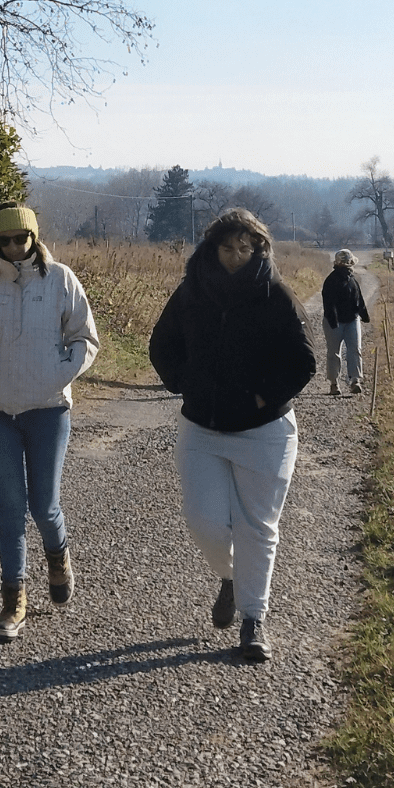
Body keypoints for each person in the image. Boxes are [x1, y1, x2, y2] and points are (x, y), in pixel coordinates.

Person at [149, 208, 316, 662]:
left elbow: (303, 362)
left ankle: (253, 619)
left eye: (247, 248)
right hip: (201, 427)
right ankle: (230, 577)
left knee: (257, 527)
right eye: (228, 247)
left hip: (266, 433)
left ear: (259, 248)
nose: (237, 256)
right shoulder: (191, 292)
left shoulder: (276, 295)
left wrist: (264, 397)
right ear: (211, 248)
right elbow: (161, 345)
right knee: (203, 522)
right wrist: (186, 382)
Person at [0, 203, 99, 642]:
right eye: (4, 240)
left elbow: (85, 337)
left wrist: (58, 373)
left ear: (35, 238)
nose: (14, 248)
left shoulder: (60, 280)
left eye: (22, 239)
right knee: (10, 507)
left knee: (43, 505)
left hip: (49, 408)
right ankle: (13, 597)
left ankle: (58, 555)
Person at [320, 249, 370, 395]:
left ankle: (355, 381)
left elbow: (359, 299)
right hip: (334, 322)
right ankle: (334, 384)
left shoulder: (352, 280)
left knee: (354, 349)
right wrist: (334, 322)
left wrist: (364, 315)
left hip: (352, 320)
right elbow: (329, 304)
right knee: (334, 352)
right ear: (348, 263)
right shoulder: (331, 281)